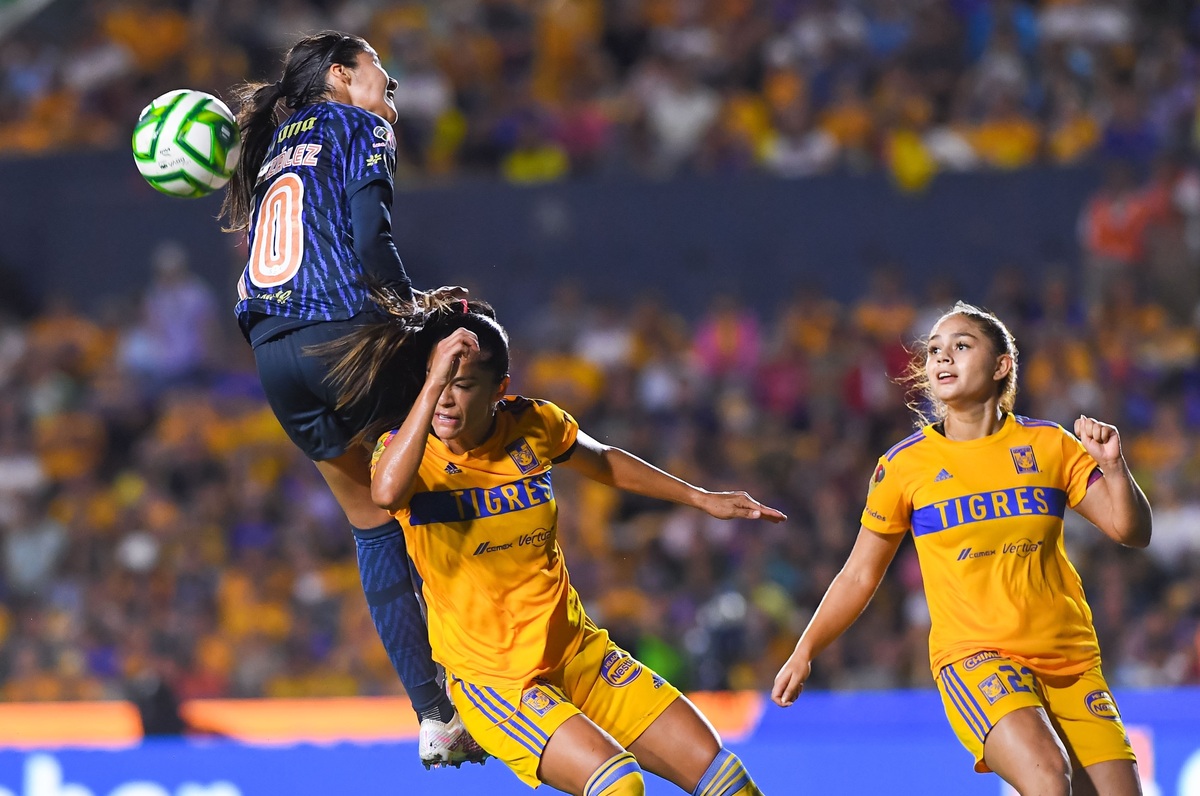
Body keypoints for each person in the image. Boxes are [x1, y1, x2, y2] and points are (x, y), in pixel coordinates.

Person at [339, 298, 784, 796]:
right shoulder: (406, 452)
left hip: (579, 655)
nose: (444, 399)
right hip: (501, 684)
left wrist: (699, 498)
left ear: (499, 390)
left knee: (727, 780)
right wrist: (435, 381)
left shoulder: (534, 424)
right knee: (620, 786)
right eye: (436, 382)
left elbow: (605, 460)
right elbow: (384, 494)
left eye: (461, 386)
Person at [218, 30, 482, 768]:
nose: (390, 96)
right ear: (341, 76)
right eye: (383, 79)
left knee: (370, 522)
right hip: (342, 338)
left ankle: (431, 717)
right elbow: (372, 234)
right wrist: (413, 308)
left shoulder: (273, 143)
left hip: (274, 355)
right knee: (473, 381)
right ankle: (492, 669)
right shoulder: (359, 124)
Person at [771, 302, 1152, 796]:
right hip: (977, 657)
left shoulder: (1048, 445)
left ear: (1001, 366)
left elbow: (1131, 531)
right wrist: (805, 650)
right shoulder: (905, 466)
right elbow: (859, 574)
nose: (942, 358)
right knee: (1047, 775)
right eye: (934, 351)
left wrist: (1116, 468)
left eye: (961, 346)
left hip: (1071, 661)